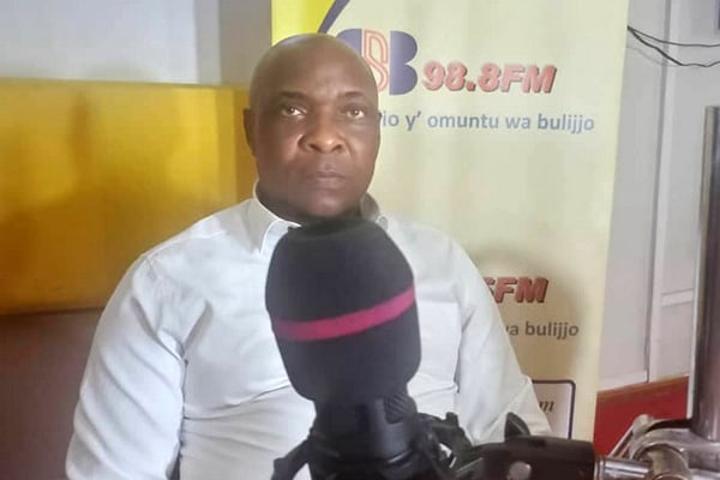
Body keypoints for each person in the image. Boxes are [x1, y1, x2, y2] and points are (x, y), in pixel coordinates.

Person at [66, 33, 550, 480]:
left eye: (353, 112)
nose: (325, 136)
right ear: (251, 130)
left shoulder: (441, 260)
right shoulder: (166, 282)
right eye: (293, 110)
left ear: (378, 133)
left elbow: (512, 436)